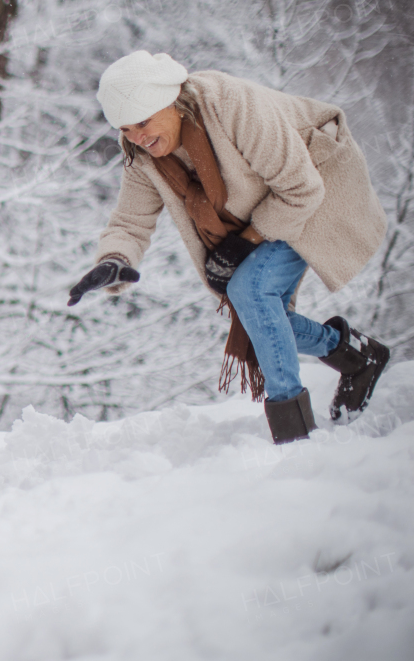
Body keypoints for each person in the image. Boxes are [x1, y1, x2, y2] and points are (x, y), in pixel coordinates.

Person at [68, 51, 390, 445]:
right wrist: (115, 259)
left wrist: (242, 245)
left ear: (170, 101)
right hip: (266, 210)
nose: (136, 137)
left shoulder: (231, 105)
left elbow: (301, 189)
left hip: (316, 188)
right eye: (125, 128)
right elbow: (131, 220)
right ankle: (356, 356)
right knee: (264, 319)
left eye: (142, 122)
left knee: (250, 291)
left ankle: (295, 434)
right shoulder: (142, 152)